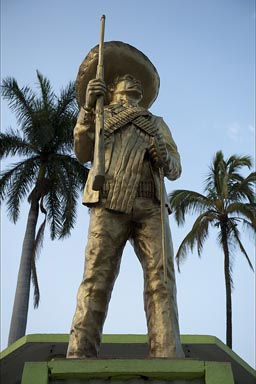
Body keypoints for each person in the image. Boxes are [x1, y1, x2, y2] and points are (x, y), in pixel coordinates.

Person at [67, 41, 184, 359]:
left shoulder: (156, 123)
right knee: (96, 278)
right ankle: (80, 352)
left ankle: (166, 353)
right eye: (125, 78)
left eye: (136, 79)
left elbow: (174, 169)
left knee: (162, 281)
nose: (132, 81)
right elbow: (81, 151)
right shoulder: (99, 116)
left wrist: (161, 150)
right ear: (112, 86)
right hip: (109, 200)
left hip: (150, 204)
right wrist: (88, 109)